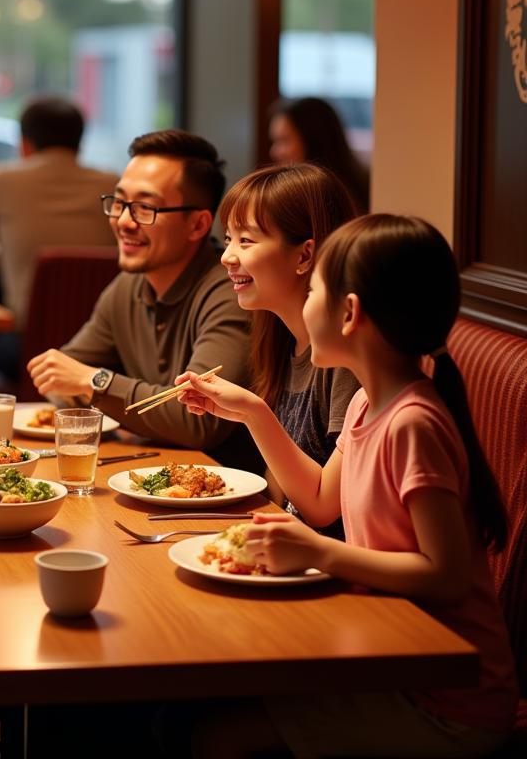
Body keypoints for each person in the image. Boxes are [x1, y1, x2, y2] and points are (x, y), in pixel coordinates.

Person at [176, 215, 517, 758]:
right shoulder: (366, 402)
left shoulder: (412, 423)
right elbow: (316, 501)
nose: (306, 305)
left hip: (449, 701)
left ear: (350, 313)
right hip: (391, 654)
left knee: (219, 737)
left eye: (314, 291)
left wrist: (319, 552)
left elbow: (447, 577)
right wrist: (253, 413)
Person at [27, 129, 256, 469]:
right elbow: (58, 377)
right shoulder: (128, 286)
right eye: (119, 203)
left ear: (197, 225)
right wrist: (90, 385)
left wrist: (97, 383)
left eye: (145, 208)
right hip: (152, 475)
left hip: (230, 498)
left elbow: (199, 421)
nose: (123, 221)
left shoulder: (229, 291)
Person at [219, 163, 360, 534]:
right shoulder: (281, 341)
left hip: (334, 567)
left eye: (245, 241)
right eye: (227, 239)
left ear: (303, 256)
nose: (227, 257)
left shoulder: (348, 356)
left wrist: (252, 411)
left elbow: (322, 508)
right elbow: (279, 492)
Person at [0, 97, 116, 377]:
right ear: (79, 142)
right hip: (106, 348)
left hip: (26, 347)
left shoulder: (6, 179)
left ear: (24, 142)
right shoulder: (112, 183)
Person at [268, 96, 370, 212]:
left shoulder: (340, 197)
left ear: (313, 139)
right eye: (275, 141)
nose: (274, 152)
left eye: (284, 141)